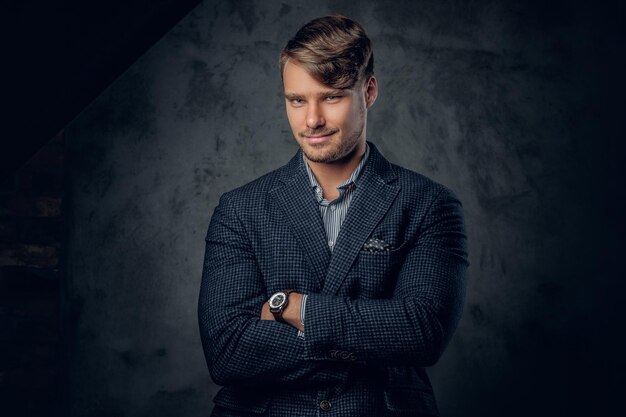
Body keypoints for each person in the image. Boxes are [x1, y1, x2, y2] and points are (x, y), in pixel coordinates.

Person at [198, 15, 468, 417]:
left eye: (332, 96)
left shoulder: (429, 204)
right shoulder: (240, 209)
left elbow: (421, 332)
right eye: (297, 100)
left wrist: (292, 308)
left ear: (369, 91)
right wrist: (372, 337)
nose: (312, 120)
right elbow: (228, 352)